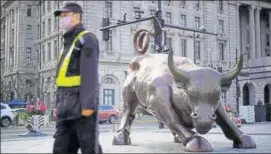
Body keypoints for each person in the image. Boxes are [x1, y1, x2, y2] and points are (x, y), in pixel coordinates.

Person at [53, 2, 102, 154]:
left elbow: (89, 76)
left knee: (90, 149)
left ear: (76, 17)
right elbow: (61, 81)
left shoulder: (86, 40)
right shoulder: (66, 43)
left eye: (65, 15)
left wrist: (88, 105)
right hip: (65, 109)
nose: (61, 19)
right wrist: (57, 105)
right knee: (61, 149)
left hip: (82, 110)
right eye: (61, 16)